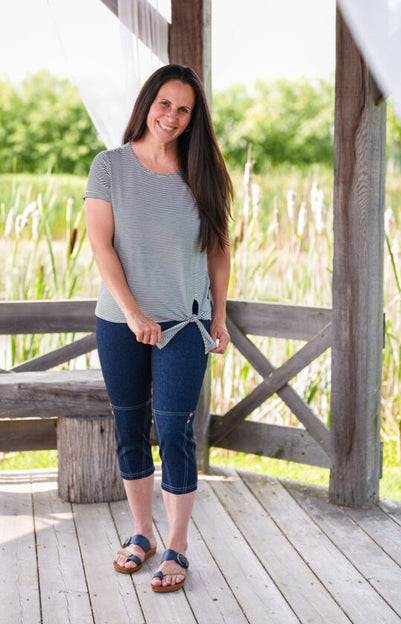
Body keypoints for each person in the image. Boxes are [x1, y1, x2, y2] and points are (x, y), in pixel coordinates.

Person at [84, 64, 232, 593]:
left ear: (194, 119)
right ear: (148, 102)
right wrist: (133, 313)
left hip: (186, 325)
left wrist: (218, 317)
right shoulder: (109, 166)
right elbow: (102, 245)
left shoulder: (203, 173)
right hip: (120, 322)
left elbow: (218, 248)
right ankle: (142, 535)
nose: (171, 115)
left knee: (174, 431)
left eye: (183, 108)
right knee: (130, 430)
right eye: (164, 103)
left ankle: (177, 544)